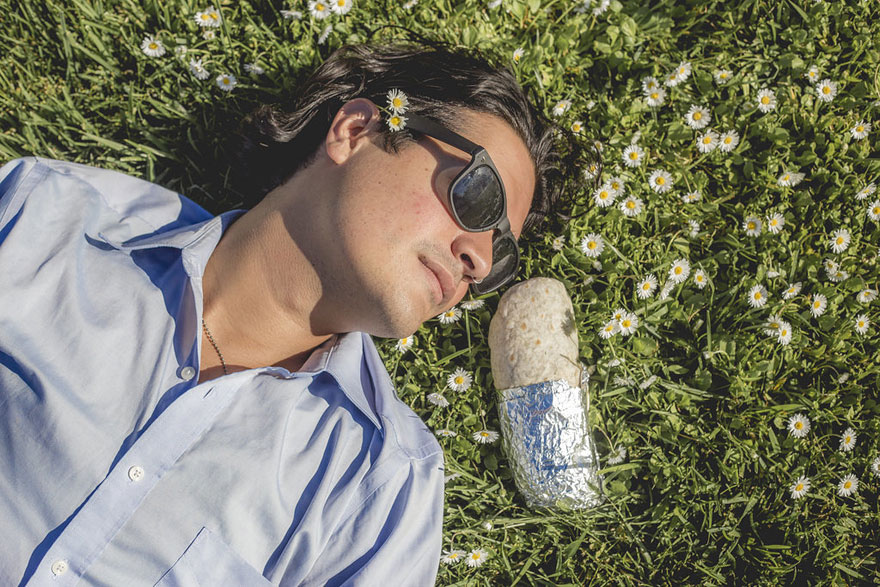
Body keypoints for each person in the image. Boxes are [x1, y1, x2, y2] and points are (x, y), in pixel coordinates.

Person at [0, 41, 582, 585]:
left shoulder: (382, 494)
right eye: (477, 196)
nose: (477, 260)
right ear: (355, 131)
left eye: (500, 255)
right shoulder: (44, 218)